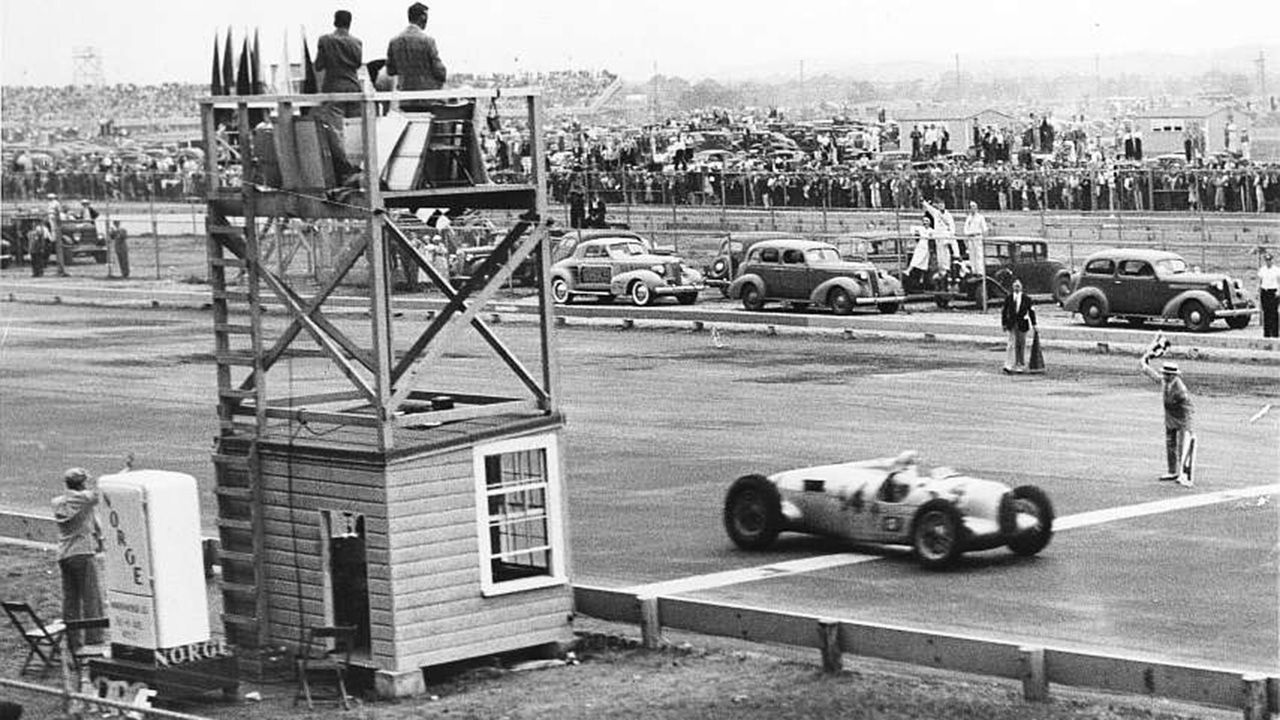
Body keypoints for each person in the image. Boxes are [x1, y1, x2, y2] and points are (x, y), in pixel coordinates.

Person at [52, 468, 105, 650]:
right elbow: (102, 492)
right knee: (91, 597)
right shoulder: (83, 499)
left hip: (64, 554)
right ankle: (94, 637)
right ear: (82, 483)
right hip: (82, 553)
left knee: (71, 599)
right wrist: (126, 470)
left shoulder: (58, 502)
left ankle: (73, 640)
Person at [1139, 344, 1194, 487]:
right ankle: (1172, 470)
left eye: (1168, 375)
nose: (1166, 377)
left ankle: (1183, 473)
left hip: (1182, 416)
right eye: (1165, 374)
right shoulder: (1164, 381)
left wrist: (1188, 424)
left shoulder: (1180, 389)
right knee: (1170, 443)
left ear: (1174, 375)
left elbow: (1182, 404)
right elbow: (1151, 374)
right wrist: (1144, 362)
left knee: (1183, 445)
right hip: (1170, 415)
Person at [386, 2, 447, 111]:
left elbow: (390, 70)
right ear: (422, 18)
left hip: (405, 98)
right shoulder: (428, 41)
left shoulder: (394, 41)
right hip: (427, 99)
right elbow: (440, 71)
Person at [314, 10, 364, 118]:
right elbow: (358, 64)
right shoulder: (357, 42)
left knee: (334, 127)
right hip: (353, 87)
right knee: (354, 126)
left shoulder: (325, 40)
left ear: (335, 22)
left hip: (333, 88)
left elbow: (318, 66)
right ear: (350, 23)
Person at [1000, 278, 1036, 373]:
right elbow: (1004, 312)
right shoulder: (1009, 298)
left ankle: (1020, 364)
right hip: (1012, 324)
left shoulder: (1027, 299)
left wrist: (1034, 324)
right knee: (1011, 344)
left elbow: (1031, 312)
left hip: (1022, 324)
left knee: (1021, 344)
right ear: (1012, 287)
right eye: (1015, 285)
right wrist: (1004, 323)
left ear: (1021, 287)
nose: (1016, 287)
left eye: (1018, 286)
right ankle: (1008, 365)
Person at [1258, 252, 1280, 338]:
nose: (1268, 262)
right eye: (1266, 260)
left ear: (1272, 260)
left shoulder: (1276, 270)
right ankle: (1266, 332)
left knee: (1273, 312)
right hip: (1265, 291)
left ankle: (1275, 332)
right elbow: (1260, 281)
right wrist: (1259, 291)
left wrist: (1279, 291)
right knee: (1266, 312)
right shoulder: (1262, 270)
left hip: (1273, 291)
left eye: (1269, 260)